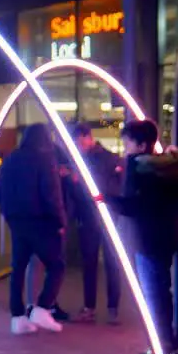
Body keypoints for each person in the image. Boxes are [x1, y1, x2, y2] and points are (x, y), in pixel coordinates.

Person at [108, 120, 178, 354]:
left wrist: (108, 199)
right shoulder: (169, 166)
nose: (126, 148)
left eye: (128, 143)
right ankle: (169, 342)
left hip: (147, 239)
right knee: (163, 293)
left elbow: (134, 206)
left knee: (154, 296)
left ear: (141, 144)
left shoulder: (138, 168)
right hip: (169, 237)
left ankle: (161, 346)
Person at [0, 124, 66, 335]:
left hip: (17, 221)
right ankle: (43, 307)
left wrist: (8, 214)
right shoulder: (45, 160)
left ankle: (17, 316)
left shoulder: (10, 159)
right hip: (41, 221)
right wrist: (60, 221)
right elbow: (51, 194)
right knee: (57, 265)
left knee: (18, 267)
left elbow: (0, 192)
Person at [72, 124, 124, 324]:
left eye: (79, 142)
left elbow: (118, 187)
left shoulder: (109, 159)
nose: (78, 147)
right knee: (90, 262)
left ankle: (111, 308)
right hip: (91, 217)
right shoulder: (84, 160)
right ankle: (92, 307)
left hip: (106, 216)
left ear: (87, 137)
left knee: (111, 263)